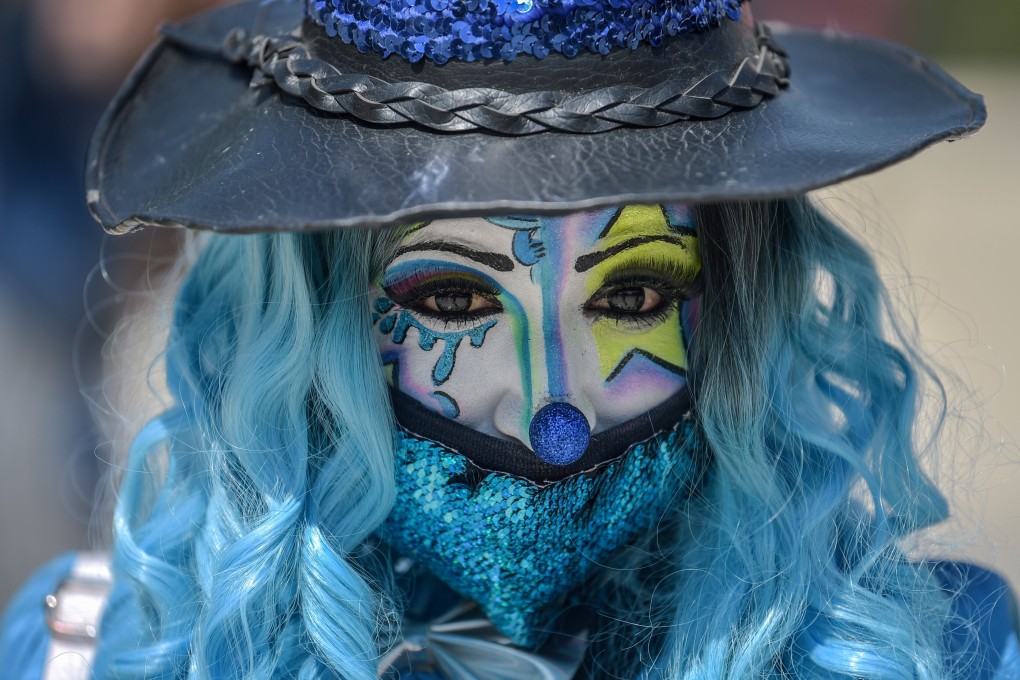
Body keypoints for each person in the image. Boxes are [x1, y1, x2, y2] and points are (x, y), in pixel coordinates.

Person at [2, 0, 1017, 678]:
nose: (555, 414)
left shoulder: (934, 650)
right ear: (310, 308)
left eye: (631, 297)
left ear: (740, 299)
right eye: (452, 301)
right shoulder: (96, 651)